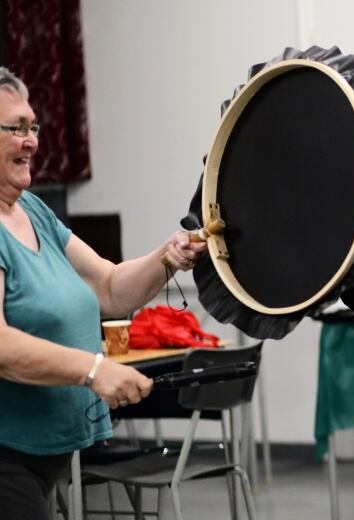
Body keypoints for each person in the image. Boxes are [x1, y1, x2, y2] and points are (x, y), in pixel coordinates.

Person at [0, 67, 207, 518]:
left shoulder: (32, 210)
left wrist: (167, 256)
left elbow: (109, 287)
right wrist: (94, 370)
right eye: (15, 128)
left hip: (42, 458)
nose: (31, 140)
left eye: (33, 126)